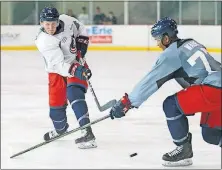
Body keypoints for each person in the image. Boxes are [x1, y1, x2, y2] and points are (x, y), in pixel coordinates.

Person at [109, 17, 221, 167]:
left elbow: (150, 81)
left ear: (166, 38)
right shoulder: (190, 43)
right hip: (215, 86)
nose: (157, 44)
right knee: (211, 134)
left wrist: (127, 103)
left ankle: (183, 149)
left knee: (171, 105)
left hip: (214, 90)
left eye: (158, 39)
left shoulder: (171, 54)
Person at [35, 7, 97, 149]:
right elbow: (59, 65)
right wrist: (78, 70)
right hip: (56, 71)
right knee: (56, 111)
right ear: (41, 23)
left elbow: (80, 28)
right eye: (46, 24)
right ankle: (60, 129)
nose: (50, 27)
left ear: (58, 21)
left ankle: (87, 132)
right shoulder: (43, 41)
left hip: (76, 62)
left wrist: (82, 41)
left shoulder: (67, 20)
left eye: (53, 23)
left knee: (75, 93)